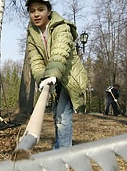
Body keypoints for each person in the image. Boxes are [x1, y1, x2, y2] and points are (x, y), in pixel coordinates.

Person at [25, 0, 88, 149]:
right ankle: (60, 149)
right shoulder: (32, 34)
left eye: (40, 9)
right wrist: (42, 78)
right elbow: (36, 60)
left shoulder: (61, 27)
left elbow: (59, 52)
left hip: (70, 77)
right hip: (54, 78)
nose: (36, 14)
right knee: (57, 116)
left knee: (63, 116)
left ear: (48, 10)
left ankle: (63, 156)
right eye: (32, 11)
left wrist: (52, 73)